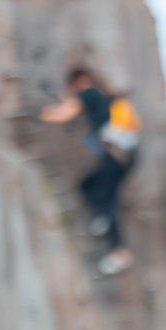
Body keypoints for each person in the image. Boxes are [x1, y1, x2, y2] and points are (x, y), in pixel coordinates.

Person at [40, 67, 140, 276]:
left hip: (116, 155)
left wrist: (44, 113)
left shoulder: (90, 93)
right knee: (92, 189)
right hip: (125, 154)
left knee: (103, 197)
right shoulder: (103, 98)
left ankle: (118, 250)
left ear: (79, 80)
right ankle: (108, 230)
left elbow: (64, 113)